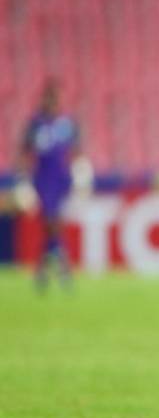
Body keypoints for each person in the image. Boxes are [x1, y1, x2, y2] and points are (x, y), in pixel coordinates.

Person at [16, 79, 91, 289]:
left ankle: (44, 268)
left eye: (56, 98)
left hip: (62, 178)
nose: (53, 102)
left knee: (55, 223)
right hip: (43, 178)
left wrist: (82, 173)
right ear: (44, 98)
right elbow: (24, 152)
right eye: (50, 97)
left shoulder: (67, 123)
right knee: (51, 222)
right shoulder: (35, 124)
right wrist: (23, 180)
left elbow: (77, 151)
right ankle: (62, 266)